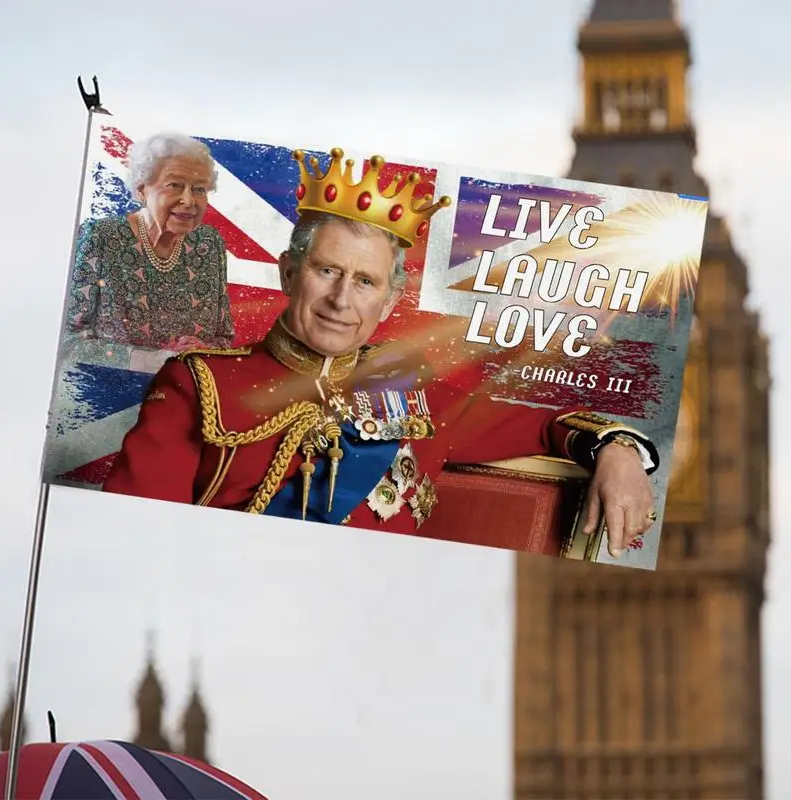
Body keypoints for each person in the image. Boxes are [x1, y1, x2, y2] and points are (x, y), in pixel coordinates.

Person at [103, 147, 660, 558]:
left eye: (365, 282)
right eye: (327, 271)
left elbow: (548, 426)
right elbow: (139, 542)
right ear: (289, 272)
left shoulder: (415, 392)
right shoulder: (198, 386)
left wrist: (616, 450)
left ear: (390, 300)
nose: (341, 300)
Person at [63, 131, 235, 372]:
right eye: (175, 185)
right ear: (142, 189)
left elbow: (224, 338)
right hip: (110, 397)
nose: (189, 200)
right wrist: (152, 360)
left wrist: (203, 351)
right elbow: (70, 344)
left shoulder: (209, 244)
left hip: (185, 398)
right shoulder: (100, 237)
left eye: (199, 189)